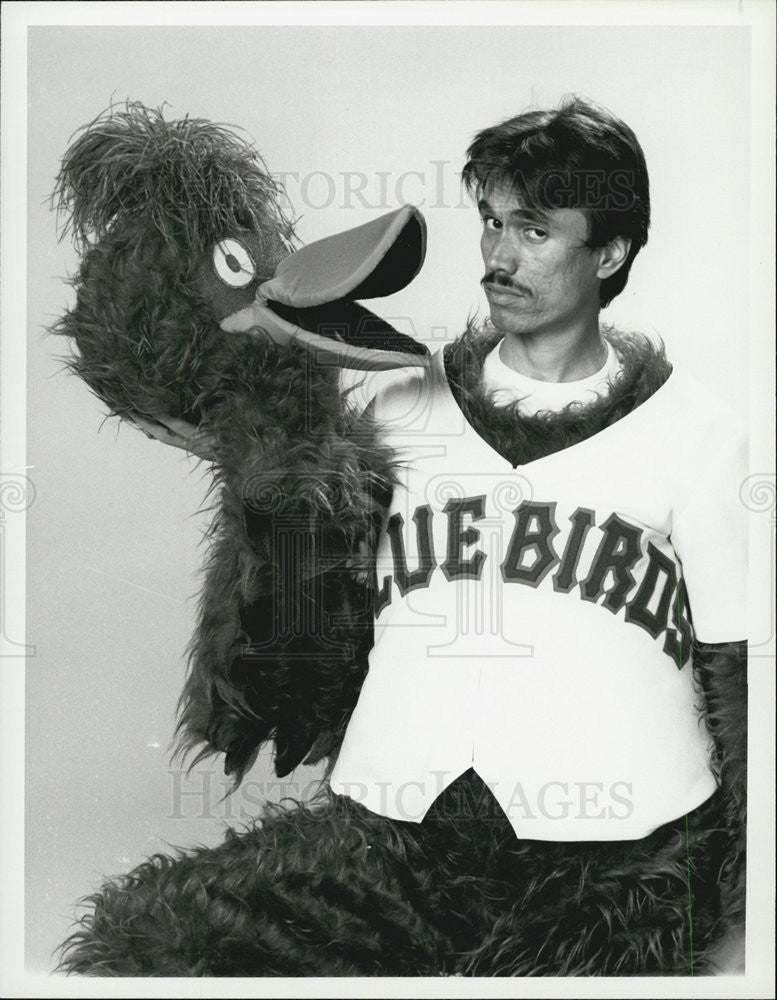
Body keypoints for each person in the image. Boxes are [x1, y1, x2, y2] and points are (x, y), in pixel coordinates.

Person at [85, 97, 748, 976]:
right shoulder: (400, 406)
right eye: (491, 223)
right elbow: (302, 647)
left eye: (536, 231)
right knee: (145, 943)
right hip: (391, 844)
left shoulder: (701, 436)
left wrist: (750, 890)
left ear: (611, 252)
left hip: (608, 862)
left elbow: (743, 678)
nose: (499, 256)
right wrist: (262, 478)